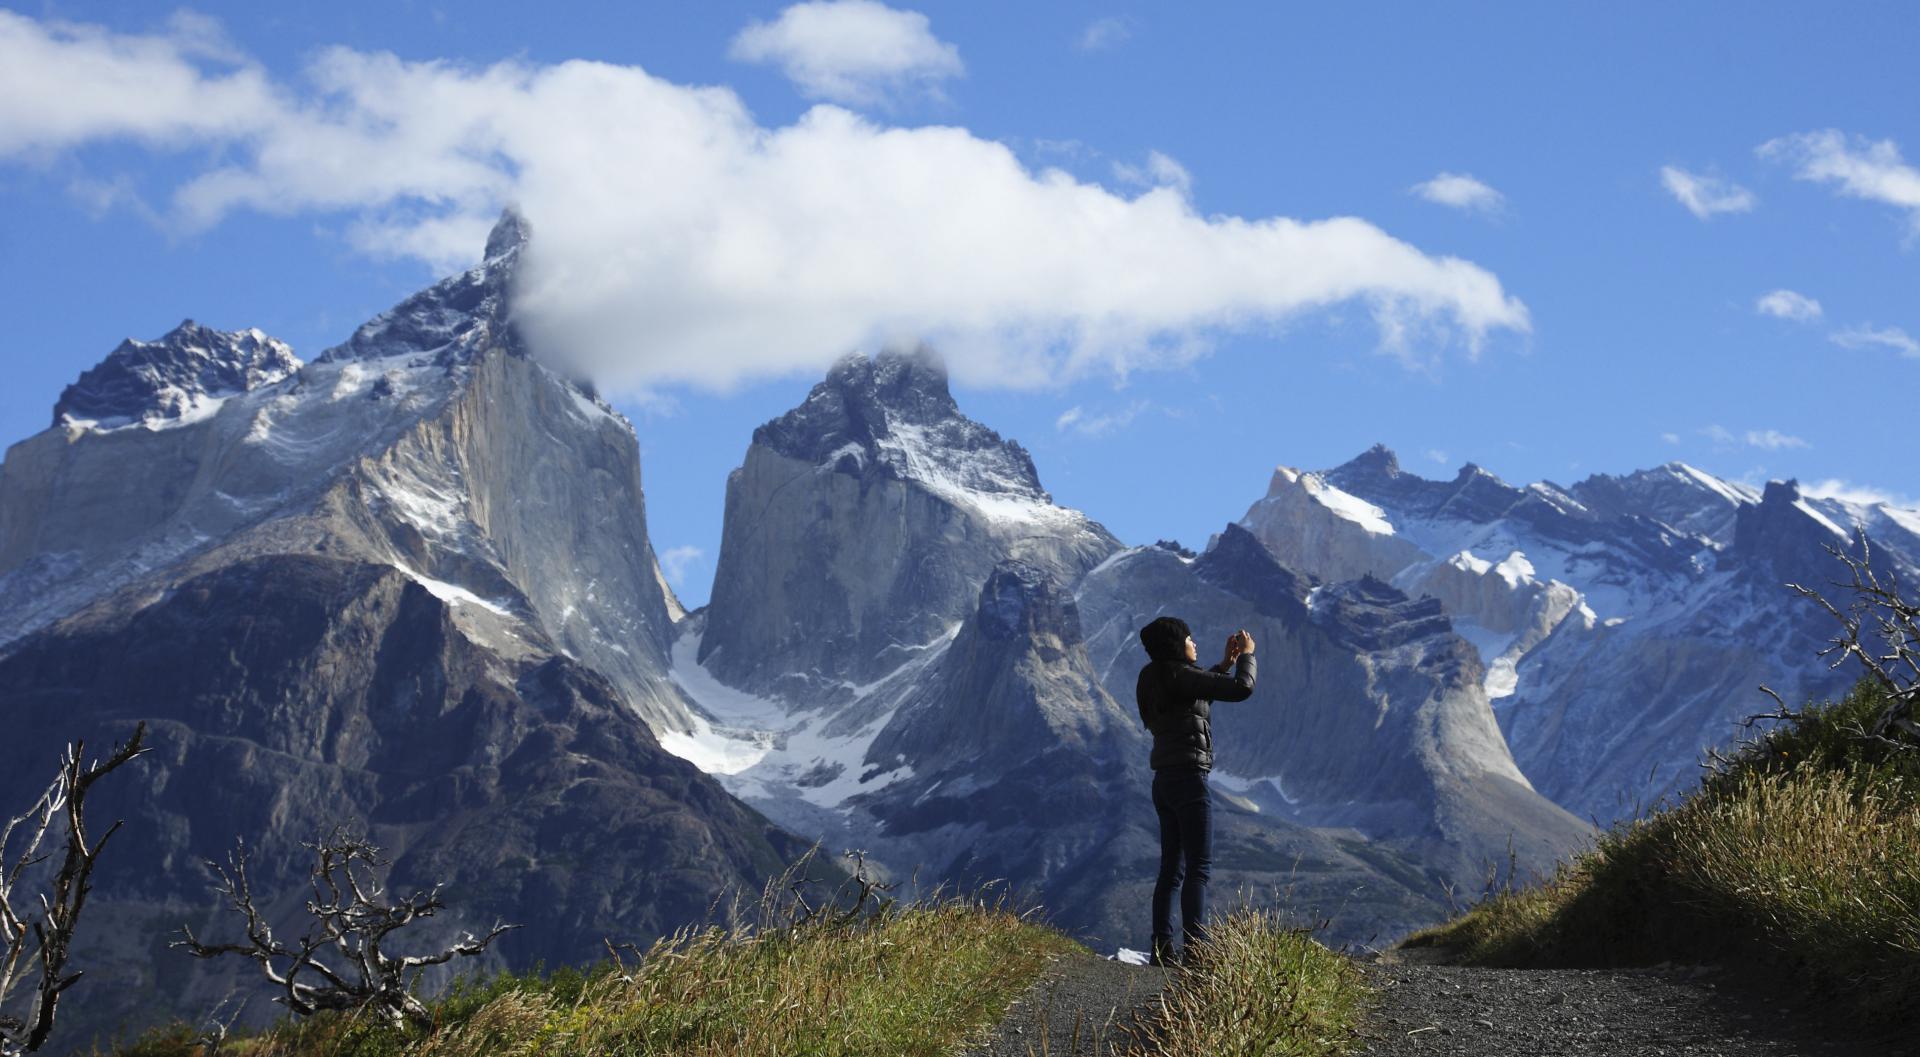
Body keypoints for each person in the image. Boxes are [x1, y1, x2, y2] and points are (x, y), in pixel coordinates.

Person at [1135, 616, 1257, 968]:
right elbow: (1242, 690)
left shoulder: (1152, 677)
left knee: (1170, 869)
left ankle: (1161, 948)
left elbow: (1195, 700)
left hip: (1164, 782)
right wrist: (1247, 657)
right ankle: (1196, 950)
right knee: (1198, 868)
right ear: (1177, 644)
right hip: (1189, 779)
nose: (1195, 644)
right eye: (1190, 638)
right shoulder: (1179, 675)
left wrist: (1223, 665)